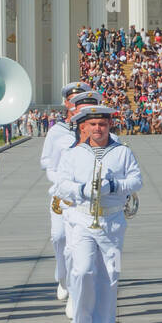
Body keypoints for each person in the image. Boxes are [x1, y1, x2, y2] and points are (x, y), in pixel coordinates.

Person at [53, 104, 142, 323]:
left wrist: (114, 186)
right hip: (83, 218)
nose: (98, 129)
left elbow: (136, 180)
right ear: (85, 127)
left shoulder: (122, 152)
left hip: (111, 220)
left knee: (110, 276)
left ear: (109, 125)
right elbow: (61, 184)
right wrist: (81, 190)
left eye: (102, 124)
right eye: (93, 125)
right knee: (82, 272)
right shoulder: (74, 154)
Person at [41, 81, 93, 306]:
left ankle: (74, 287)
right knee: (58, 237)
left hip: (84, 197)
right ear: (67, 103)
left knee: (75, 244)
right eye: (73, 101)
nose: (77, 105)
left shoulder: (94, 128)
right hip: (62, 194)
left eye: (81, 100)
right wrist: (60, 182)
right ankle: (62, 276)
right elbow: (47, 163)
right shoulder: (57, 132)